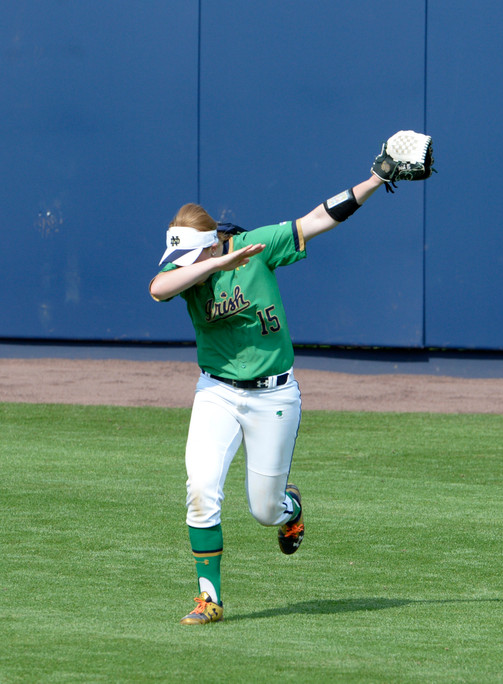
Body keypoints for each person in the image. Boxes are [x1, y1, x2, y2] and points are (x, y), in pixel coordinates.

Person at [149, 143, 404, 625]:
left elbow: (318, 219)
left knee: (265, 511)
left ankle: (292, 509)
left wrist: (374, 181)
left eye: (191, 254)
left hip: (274, 396)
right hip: (217, 393)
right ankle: (209, 598)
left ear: (211, 241)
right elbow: (157, 289)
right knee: (200, 489)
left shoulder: (256, 247)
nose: (181, 263)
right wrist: (212, 265)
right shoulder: (188, 269)